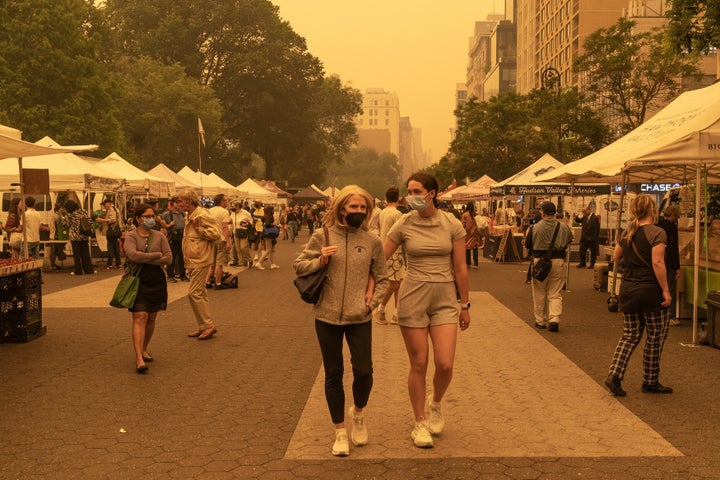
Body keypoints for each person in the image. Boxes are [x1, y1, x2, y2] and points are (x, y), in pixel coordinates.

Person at [293, 185, 389, 457]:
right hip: (326, 315)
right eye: (353, 207)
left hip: (360, 316)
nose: (358, 211)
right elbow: (299, 266)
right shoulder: (321, 235)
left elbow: (382, 277)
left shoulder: (372, 241)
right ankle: (340, 431)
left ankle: (358, 413)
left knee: (364, 371)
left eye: (363, 208)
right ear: (341, 208)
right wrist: (320, 260)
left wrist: (373, 302)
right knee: (333, 373)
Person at [383, 172, 471, 449]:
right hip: (413, 297)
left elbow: (460, 267)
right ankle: (419, 423)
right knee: (419, 363)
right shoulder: (403, 223)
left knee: (445, 364)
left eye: (417, 191)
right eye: (409, 191)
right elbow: (379, 257)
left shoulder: (451, 224)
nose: (411, 196)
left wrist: (465, 304)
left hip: (445, 298)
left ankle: (435, 404)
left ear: (432, 193)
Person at [605, 194, 673, 397]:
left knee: (630, 336)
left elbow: (616, 256)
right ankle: (650, 381)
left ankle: (614, 375)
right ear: (653, 211)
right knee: (655, 337)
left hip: (628, 290)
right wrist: (666, 291)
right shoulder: (657, 233)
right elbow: (658, 263)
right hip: (651, 292)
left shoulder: (628, 232)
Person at [124, 203, 172, 373]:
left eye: (153, 216)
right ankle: (139, 358)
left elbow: (168, 258)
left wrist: (146, 258)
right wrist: (155, 255)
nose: (151, 219)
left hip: (156, 281)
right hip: (138, 281)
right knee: (140, 316)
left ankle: (144, 348)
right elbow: (132, 255)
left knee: (151, 318)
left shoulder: (159, 236)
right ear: (138, 219)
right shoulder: (131, 236)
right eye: (147, 216)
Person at [176, 189, 221, 340]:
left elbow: (216, 234)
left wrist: (199, 229)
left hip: (200, 259)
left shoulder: (202, 215)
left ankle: (208, 326)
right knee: (200, 293)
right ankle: (204, 325)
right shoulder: (190, 214)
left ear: (189, 201)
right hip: (194, 258)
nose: (179, 203)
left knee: (194, 293)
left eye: (181, 201)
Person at [524, 201, 573, 332]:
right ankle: (554, 318)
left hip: (540, 261)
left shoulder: (535, 228)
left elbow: (528, 245)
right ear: (554, 212)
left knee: (539, 292)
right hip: (558, 261)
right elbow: (569, 242)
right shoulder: (563, 227)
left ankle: (540, 321)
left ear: (543, 212)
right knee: (555, 292)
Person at [375, 187, 405, 325]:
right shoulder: (397, 214)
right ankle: (381, 308)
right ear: (398, 198)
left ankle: (396, 313)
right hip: (395, 252)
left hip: (385, 250)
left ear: (386, 199)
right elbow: (400, 234)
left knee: (399, 284)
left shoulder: (382, 213)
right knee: (395, 284)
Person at [657, 205, 681, 326]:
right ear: (672, 215)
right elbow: (673, 247)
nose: (677, 219)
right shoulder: (672, 227)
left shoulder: (658, 225)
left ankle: (659, 313)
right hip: (670, 262)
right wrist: (677, 266)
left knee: (660, 287)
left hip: (659, 260)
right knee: (670, 287)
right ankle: (670, 316)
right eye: (677, 216)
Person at [205, 194, 232, 289]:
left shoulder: (209, 211)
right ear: (221, 201)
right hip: (221, 239)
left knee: (212, 263)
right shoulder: (224, 212)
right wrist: (228, 241)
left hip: (211, 239)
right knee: (219, 263)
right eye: (225, 201)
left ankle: (207, 281)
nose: (227, 202)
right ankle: (218, 283)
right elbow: (225, 227)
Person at [64, 200, 96, 275]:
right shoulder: (83, 211)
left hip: (75, 237)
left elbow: (68, 225)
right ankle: (88, 270)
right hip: (84, 235)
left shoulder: (70, 215)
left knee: (77, 255)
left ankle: (78, 271)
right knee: (85, 254)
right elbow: (89, 221)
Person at [161, 197, 188, 282]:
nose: (179, 204)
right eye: (177, 203)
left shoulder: (183, 214)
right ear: (173, 203)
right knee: (172, 257)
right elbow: (161, 224)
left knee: (182, 257)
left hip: (182, 237)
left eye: (180, 202)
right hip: (172, 238)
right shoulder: (167, 214)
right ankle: (170, 276)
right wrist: (169, 225)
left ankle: (182, 275)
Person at [96, 198, 123, 270]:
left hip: (112, 231)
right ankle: (118, 263)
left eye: (104, 205)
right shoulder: (115, 209)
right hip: (116, 230)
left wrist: (102, 220)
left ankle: (109, 264)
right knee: (116, 248)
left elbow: (113, 220)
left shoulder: (111, 209)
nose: (104, 207)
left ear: (108, 203)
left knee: (110, 247)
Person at [229, 201, 254, 270]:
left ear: (238, 206)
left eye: (233, 206)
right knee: (237, 248)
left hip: (243, 231)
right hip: (235, 231)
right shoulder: (233, 213)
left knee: (243, 247)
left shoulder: (245, 213)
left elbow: (251, 221)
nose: (232, 208)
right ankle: (240, 263)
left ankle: (250, 259)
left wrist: (246, 224)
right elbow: (231, 221)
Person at [257, 205, 280, 269]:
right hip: (269, 234)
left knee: (272, 250)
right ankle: (259, 262)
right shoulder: (270, 217)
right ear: (271, 210)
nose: (273, 211)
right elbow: (267, 224)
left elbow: (264, 224)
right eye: (273, 209)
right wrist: (274, 224)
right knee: (269, 249)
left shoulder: (264, 216)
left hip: (266, 234)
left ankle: (272, 264)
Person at [461, 202, 480, 270]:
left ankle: (468, 263)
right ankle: (476, 264)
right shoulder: (475, 214)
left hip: (467, 234)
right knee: (475, 249)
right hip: (475, 233)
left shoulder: (464, 215)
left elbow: (463, 225)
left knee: (467, 248)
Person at [50, 203, 69, 270]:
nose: (62, 211)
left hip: (57, 235)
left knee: (55, 250)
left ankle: (53, 264)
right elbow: (54, 226)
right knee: (54, 250)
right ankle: (52, 264)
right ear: (57, 211)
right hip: (55, 235)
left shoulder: (58, 216)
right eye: (61, 210)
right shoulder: (56, 217)